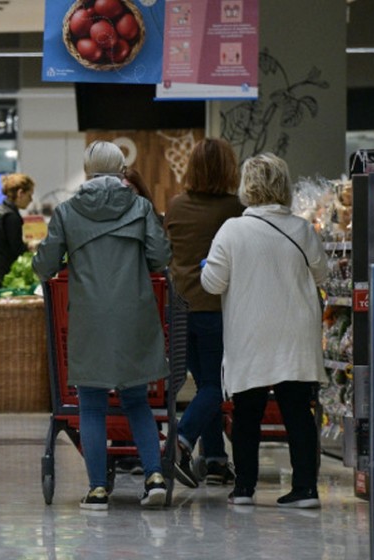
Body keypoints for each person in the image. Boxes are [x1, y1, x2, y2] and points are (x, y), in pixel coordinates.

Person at [32, 141, 171, 511]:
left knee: (91, 405)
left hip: (89, 317)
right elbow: (159, 257)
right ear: (122, 169)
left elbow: (45, 266)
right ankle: (154, 475)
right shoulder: (140, 207)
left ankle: (96, 488)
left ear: (88, 169)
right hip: (135, 314)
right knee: (137, 400)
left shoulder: (67, 211)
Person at [201, 153, 326, 508]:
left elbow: (212, 283)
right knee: (298, 411)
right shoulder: (302, 228)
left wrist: (206, 266)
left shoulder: (232, 229)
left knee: (247, 412)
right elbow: (323, 274)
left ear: (247, 187)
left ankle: (244, 488)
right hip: (295, 332)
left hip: (251, 332)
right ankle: (305, 488)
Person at [163, 138, 246, 489]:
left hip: (179, 308)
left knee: (204, 384)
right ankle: (180, 441)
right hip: (217, 308)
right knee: (216, 385)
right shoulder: (237, 209)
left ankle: (214, 460)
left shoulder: (176, 205)